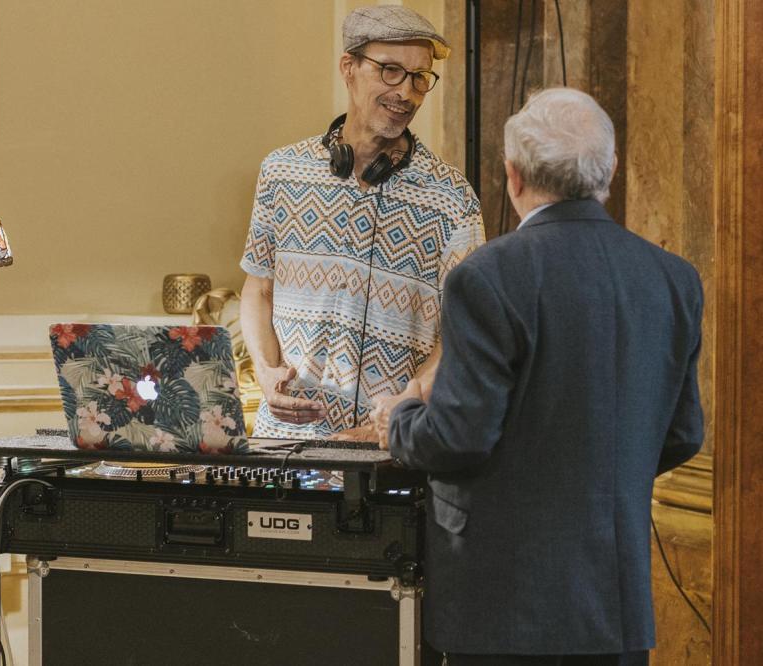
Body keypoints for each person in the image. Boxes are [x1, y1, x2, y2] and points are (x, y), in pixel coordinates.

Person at [372, 87, 704, 665]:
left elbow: (457, 438)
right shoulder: (674, 278)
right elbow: (682, 434)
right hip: (615, 606)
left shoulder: (486, 277)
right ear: (610, 171)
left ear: (514, 175)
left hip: (504, 606)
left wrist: (399, 416)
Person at [240, 5, 484, 441]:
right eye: (390, 71)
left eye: (419, 77)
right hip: (283, 444)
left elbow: (462, 335)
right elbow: (258, 289)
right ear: (348, 68)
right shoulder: (281, 171)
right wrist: (264, 368)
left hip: (390, 449)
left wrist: (396, 415)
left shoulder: (453, 199)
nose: (405, 92)